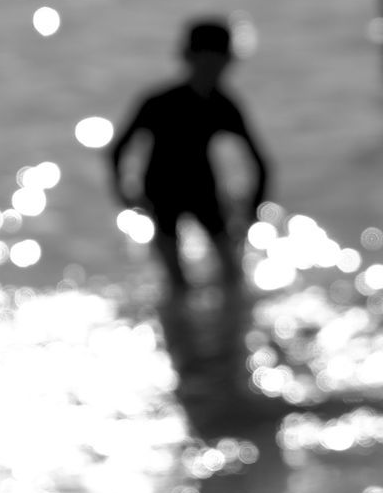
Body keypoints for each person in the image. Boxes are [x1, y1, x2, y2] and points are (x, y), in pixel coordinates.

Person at [110, 19, 271, 298]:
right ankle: (183, 332)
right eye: (207, 61)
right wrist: (123, 193)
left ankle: (229, 329)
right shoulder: (158, 103)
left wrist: (252, 214)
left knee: (233, 275)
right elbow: (117, 149)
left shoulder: (223, 105)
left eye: (218, 62)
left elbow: (261, 163)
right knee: (176, 281)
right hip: (161, 193)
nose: (213, 69)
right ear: (189, 58)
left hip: (202, 189)